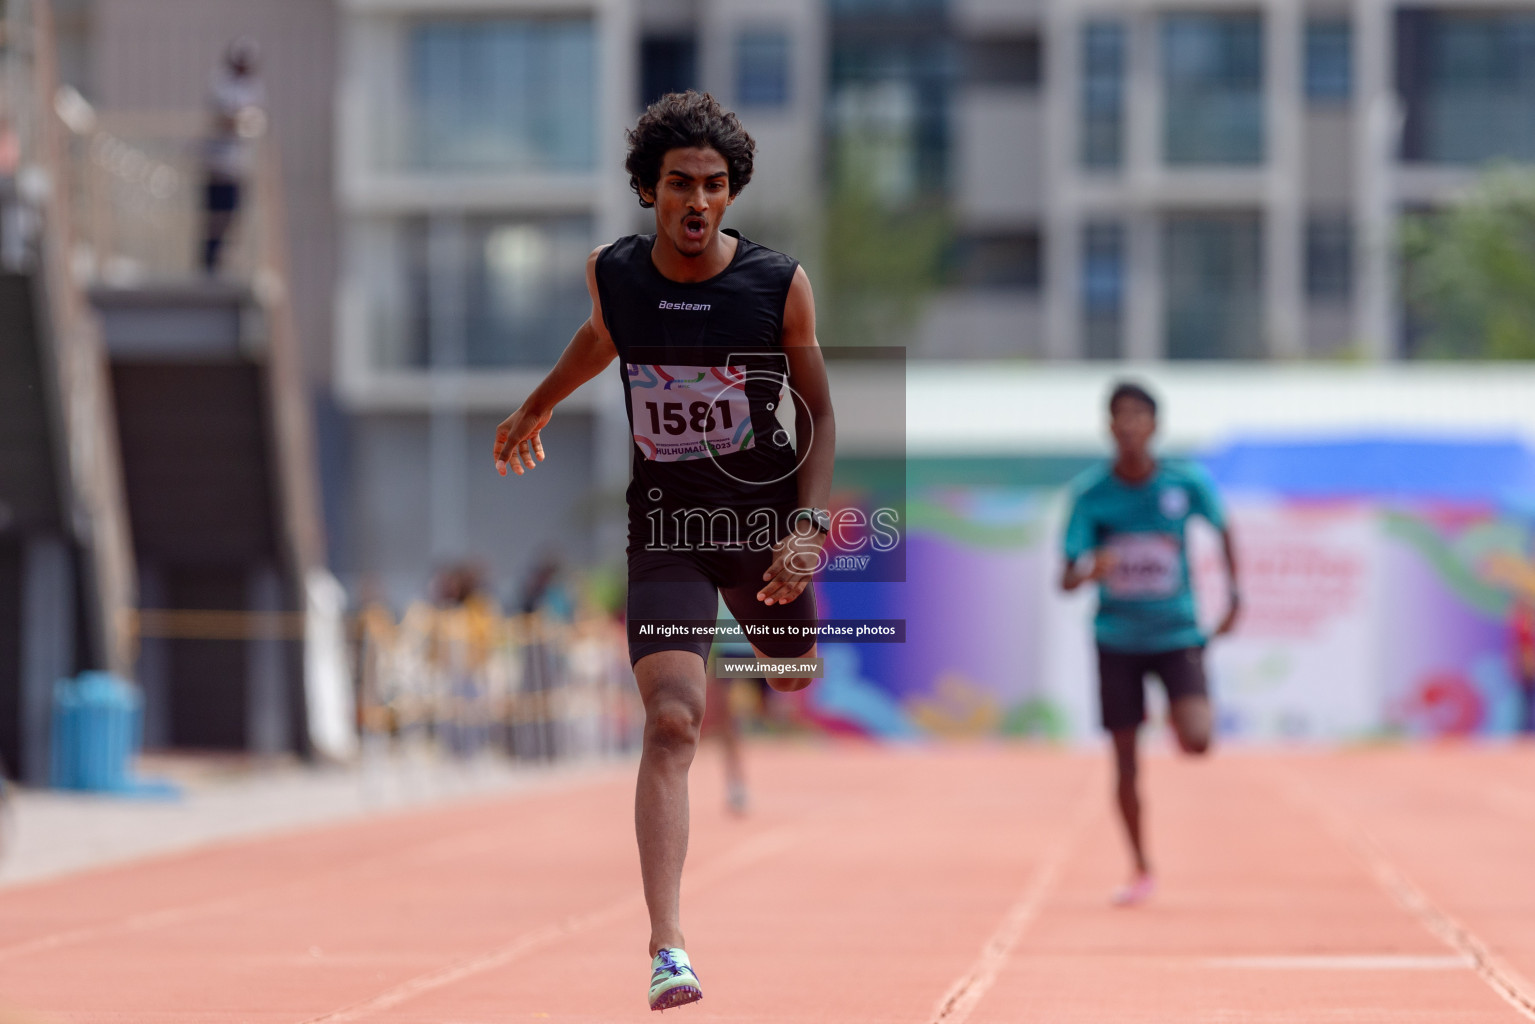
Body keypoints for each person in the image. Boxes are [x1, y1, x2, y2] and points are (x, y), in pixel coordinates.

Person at [491, 91, 835, 1011]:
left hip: (758, 533)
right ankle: (668, 947)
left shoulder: (777, 286)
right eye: (679, 182)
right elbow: (601, 339)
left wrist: (805, 528)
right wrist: (540, 402)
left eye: (715, 185)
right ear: (650, 190)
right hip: (668, 533)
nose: (697, 200)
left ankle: (771, 634)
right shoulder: (615, 274)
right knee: (674, 720)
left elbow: (821, 412)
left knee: (796, 672)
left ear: (731, 195)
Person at [1060, 381, 1239, 907]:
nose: (1131, 427)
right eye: (1121, 417)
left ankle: (1176, 712)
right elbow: (1065, 578)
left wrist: (1234, 596)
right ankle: (1140, 865)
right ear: (1109, 427)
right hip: (1116, 639)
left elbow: (1223, 528)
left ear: (1154, 426)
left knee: (1199, 741)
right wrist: (1092, 569)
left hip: (1176, 632)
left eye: (1141, 416)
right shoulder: (1092, 496)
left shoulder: (1184, 483)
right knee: (1125, 760)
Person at [201, 38, 265, 273]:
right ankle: (209, 264)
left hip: (240, 164)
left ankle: (224, 261)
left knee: (233, 215)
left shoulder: (254, 86)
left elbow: (255, 120)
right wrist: (238, 121)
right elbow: (224, 118)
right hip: (218, 163)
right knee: (214, 214)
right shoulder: (221, 82)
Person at [1513, 596, 1535, 735]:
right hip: (1527, 669)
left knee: (1527, 701)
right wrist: (1528, 667)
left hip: (1527, 667)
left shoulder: (1525, 625)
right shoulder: (1523, 625)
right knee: (1526, 701)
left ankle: (1525, 730)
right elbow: (1524, 649)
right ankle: (1525, 731)